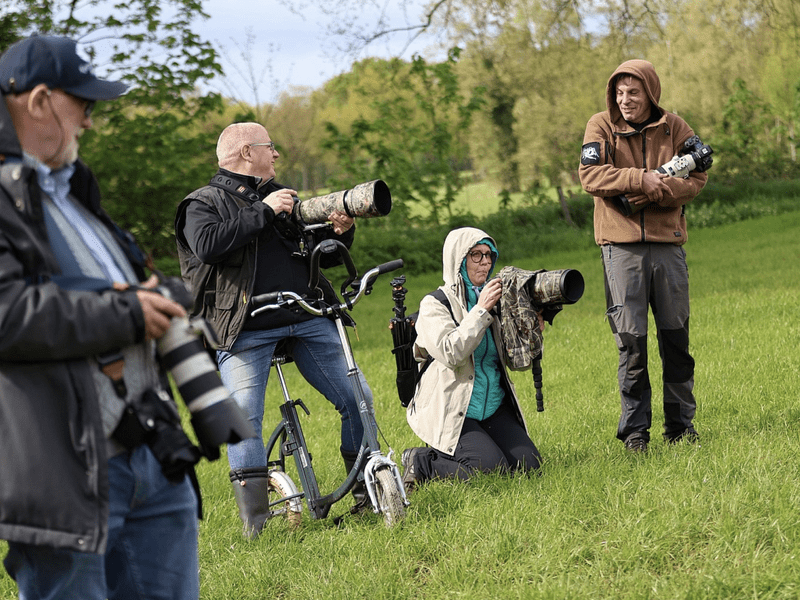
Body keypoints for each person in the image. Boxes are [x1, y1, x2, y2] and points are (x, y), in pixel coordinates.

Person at [0, 35, 200, 598]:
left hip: (151, 449)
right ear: (39, 101)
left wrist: (160, 296)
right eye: (83, 105)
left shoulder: (72, 187)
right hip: (65, 469)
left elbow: (115, 291)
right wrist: (125, 311)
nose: (89, 123)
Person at [175, 122, 372, 535]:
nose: (277, 154)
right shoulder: (201, 203)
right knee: (243, 417)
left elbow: (320, 257)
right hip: (243, 330)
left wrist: (341, 233)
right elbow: (209, 245)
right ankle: (258, 525)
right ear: (247, 152)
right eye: (270, 147)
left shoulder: (281, 198)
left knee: (358, 396)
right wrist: (264, 212)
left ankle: (364, 493)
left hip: (306, 317)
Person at [579, 59, 707, 453]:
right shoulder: (600, 125)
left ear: (651, 93)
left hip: (668, 248)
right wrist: (639, 177)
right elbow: (590, 176)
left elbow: (698, 178)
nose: (625, 100)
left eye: (633, 93)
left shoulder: (676, 127)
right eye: (619, 93)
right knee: (632, 345)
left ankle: (681, 427)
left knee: (676, 339)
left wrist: (659, 189)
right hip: (620, 252)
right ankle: (636, 433)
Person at [401, 227, 542, 489]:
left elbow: (516, 362)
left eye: (489, 255)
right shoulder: (435, 304)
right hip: (454, 409)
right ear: (459, 259)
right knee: (489, 472)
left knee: (530, 466)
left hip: (492, 407)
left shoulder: (498, 299)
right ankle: (421, 461)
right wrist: (480, 310)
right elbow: (450, 352)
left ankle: (483, 446)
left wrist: (529, 328)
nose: (485, 262)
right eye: (476, 255)